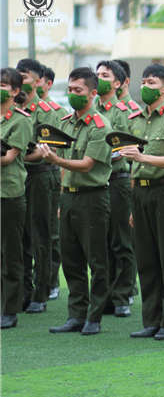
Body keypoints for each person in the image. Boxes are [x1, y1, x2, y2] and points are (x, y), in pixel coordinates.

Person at [42, 67, 113, 335]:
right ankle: (76, 315)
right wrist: (63, 196)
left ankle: (94, 317)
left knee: (96, 260)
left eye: (78, 90)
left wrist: (55, 160)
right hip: (70, 197)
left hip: (93, 198)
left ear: (93, 93)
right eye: (70, 89)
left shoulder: (100, 126)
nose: (72, 94)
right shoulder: (66, 123)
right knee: (71, 260)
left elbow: (85, 165)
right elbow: (65, 166)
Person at [123, 63, 164, 341]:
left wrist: (143, 157)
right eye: (144, 82)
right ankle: (151, 320)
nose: (145, 87)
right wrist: (132, 205)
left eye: (152, 83)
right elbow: (133, 167)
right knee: (146, 258)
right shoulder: (135, 119)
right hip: (141, 193)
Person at [16, 58, 58, 314]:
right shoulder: (13, 109)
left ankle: (41, 293)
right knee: (19, 237)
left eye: (25, 77)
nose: (20, 82)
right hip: (17, 176)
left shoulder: (45, 111)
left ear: (38, 81)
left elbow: (46, 151)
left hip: (40, 176)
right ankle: (23, 291)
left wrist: (15, 156)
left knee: (40, 236)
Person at [95, 60, 135, 318]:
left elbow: (127, 147)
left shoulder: (123, 111)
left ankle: (122, 296)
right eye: (97, 74)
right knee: (101, 242)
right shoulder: (92, 109)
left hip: (117, 179)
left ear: (117, 83)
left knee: (121, 241)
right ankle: (106, 296)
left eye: (105, 75)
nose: (99, 78)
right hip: (96, 182)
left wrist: (96, 155)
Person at [0, 68, 33, 329]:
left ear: (14, 91)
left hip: (9, 195)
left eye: (2, 86)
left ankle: (10, 310)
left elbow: (8, 157)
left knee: (10, 255)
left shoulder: (20, 120)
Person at [37, 66, 66, 302]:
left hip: (49, 172)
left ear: (47, 84)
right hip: (24, 175)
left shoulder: (58, 112)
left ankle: (51, 280)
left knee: (49, 231)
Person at [113, 59, 140, 303]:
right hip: (102, 179)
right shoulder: (98, 109)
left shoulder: (132, 111)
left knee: (124, 239)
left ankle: (127, 288)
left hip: (124, 176)